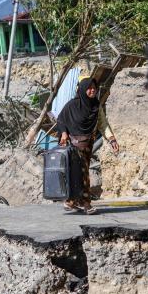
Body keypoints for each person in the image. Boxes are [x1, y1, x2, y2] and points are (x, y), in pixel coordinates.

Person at [56, 77, 119, 214]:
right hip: (74, 146)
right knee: (82, 173)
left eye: (94, 88)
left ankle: (72, 201)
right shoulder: (72, 105)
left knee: (78, 173)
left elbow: (103, 124)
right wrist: (64, 134)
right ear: (83, 89)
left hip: (88, 145)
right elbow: (61, 120)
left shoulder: (96, 106)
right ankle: (85, 203)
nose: (92, 90)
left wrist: (112, 139)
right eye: (89, 88)